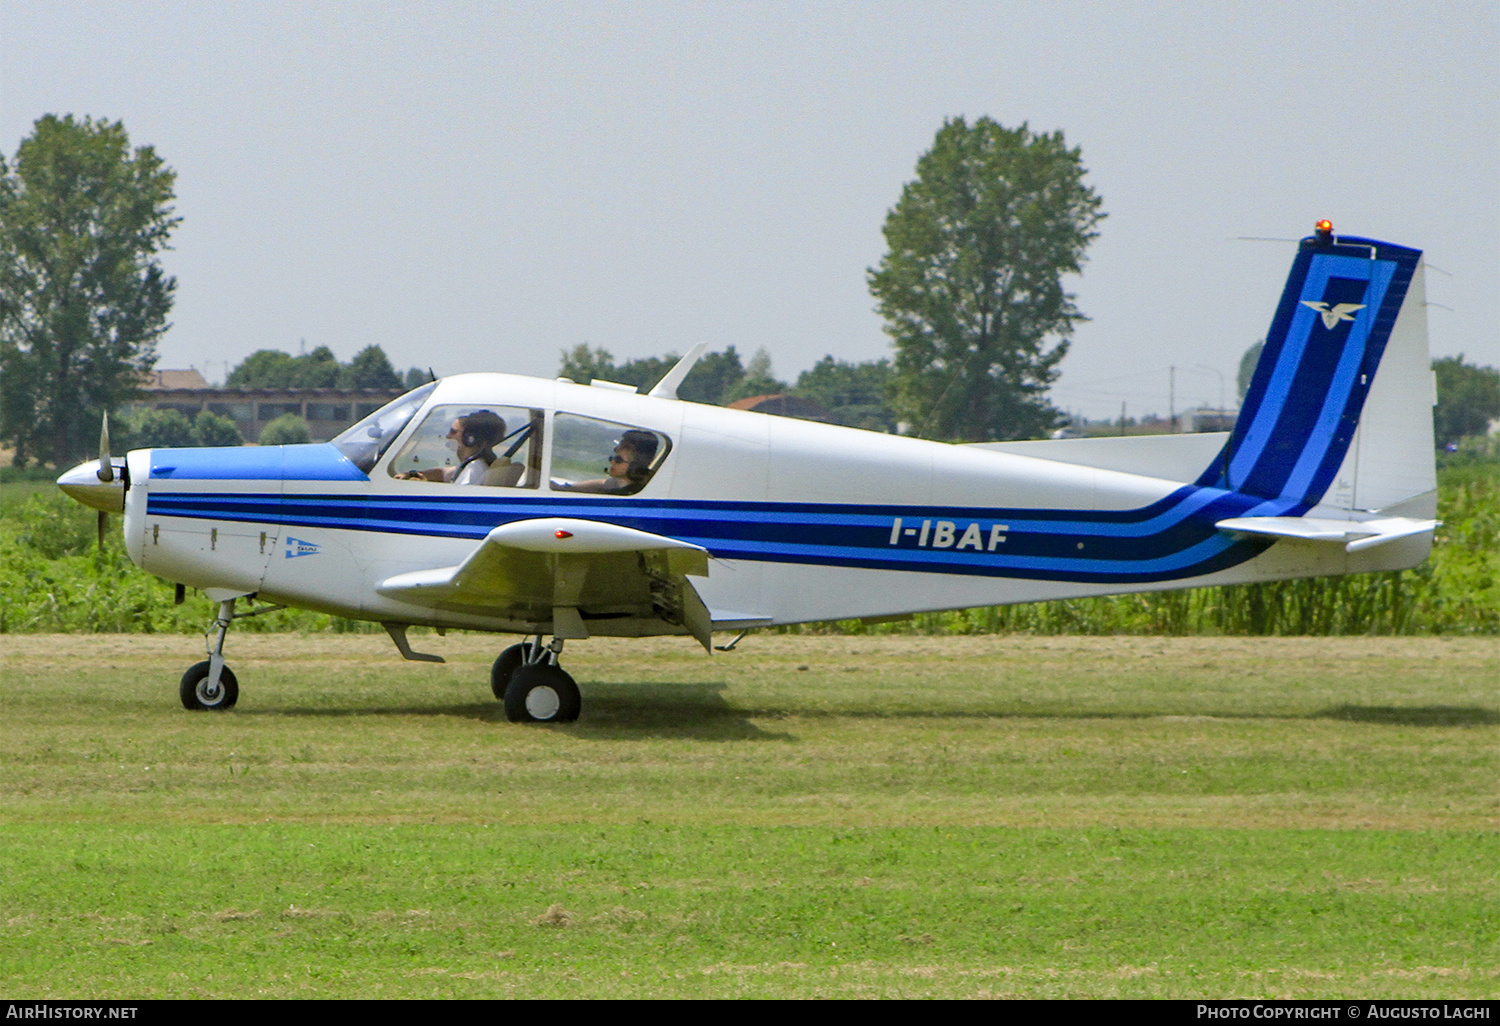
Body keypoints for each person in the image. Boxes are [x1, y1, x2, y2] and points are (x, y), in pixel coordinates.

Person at [399, 410, 507, 484]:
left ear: (470, 438)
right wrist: (412, 474)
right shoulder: (474, 464)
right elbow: (443, 473)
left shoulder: (474, 469)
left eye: (453, 431)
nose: (448, 436)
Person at [561, 430, 659, 493]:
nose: (612, 462)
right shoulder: (623, 483)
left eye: (618, 460)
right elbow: (603, 484)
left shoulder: (629, 493)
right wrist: (566, 488)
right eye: (613, 457)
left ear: (634, 466)